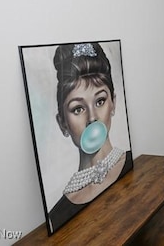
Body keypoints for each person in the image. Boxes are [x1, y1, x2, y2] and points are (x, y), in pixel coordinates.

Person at [48, 42, 132, 233]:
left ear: (114, 103)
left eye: (100, 101)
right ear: (63, 123)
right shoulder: (58, 216)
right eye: (78, 108)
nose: (92, 117)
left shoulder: (131, 166)